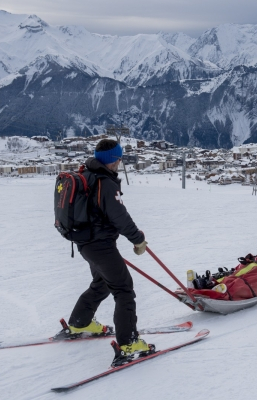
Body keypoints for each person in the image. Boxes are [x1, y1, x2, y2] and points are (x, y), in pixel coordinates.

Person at [64, 139, 151, 367]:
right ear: (114, 160)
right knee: (124, 290)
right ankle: (128, 343)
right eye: (119, 158)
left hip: (85, 243)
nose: (120, 162)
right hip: (100, 245)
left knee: (102, 282)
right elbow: (119, 217)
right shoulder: (106, 183)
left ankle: (79, 322)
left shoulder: (88, 174)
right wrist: (138, 239)